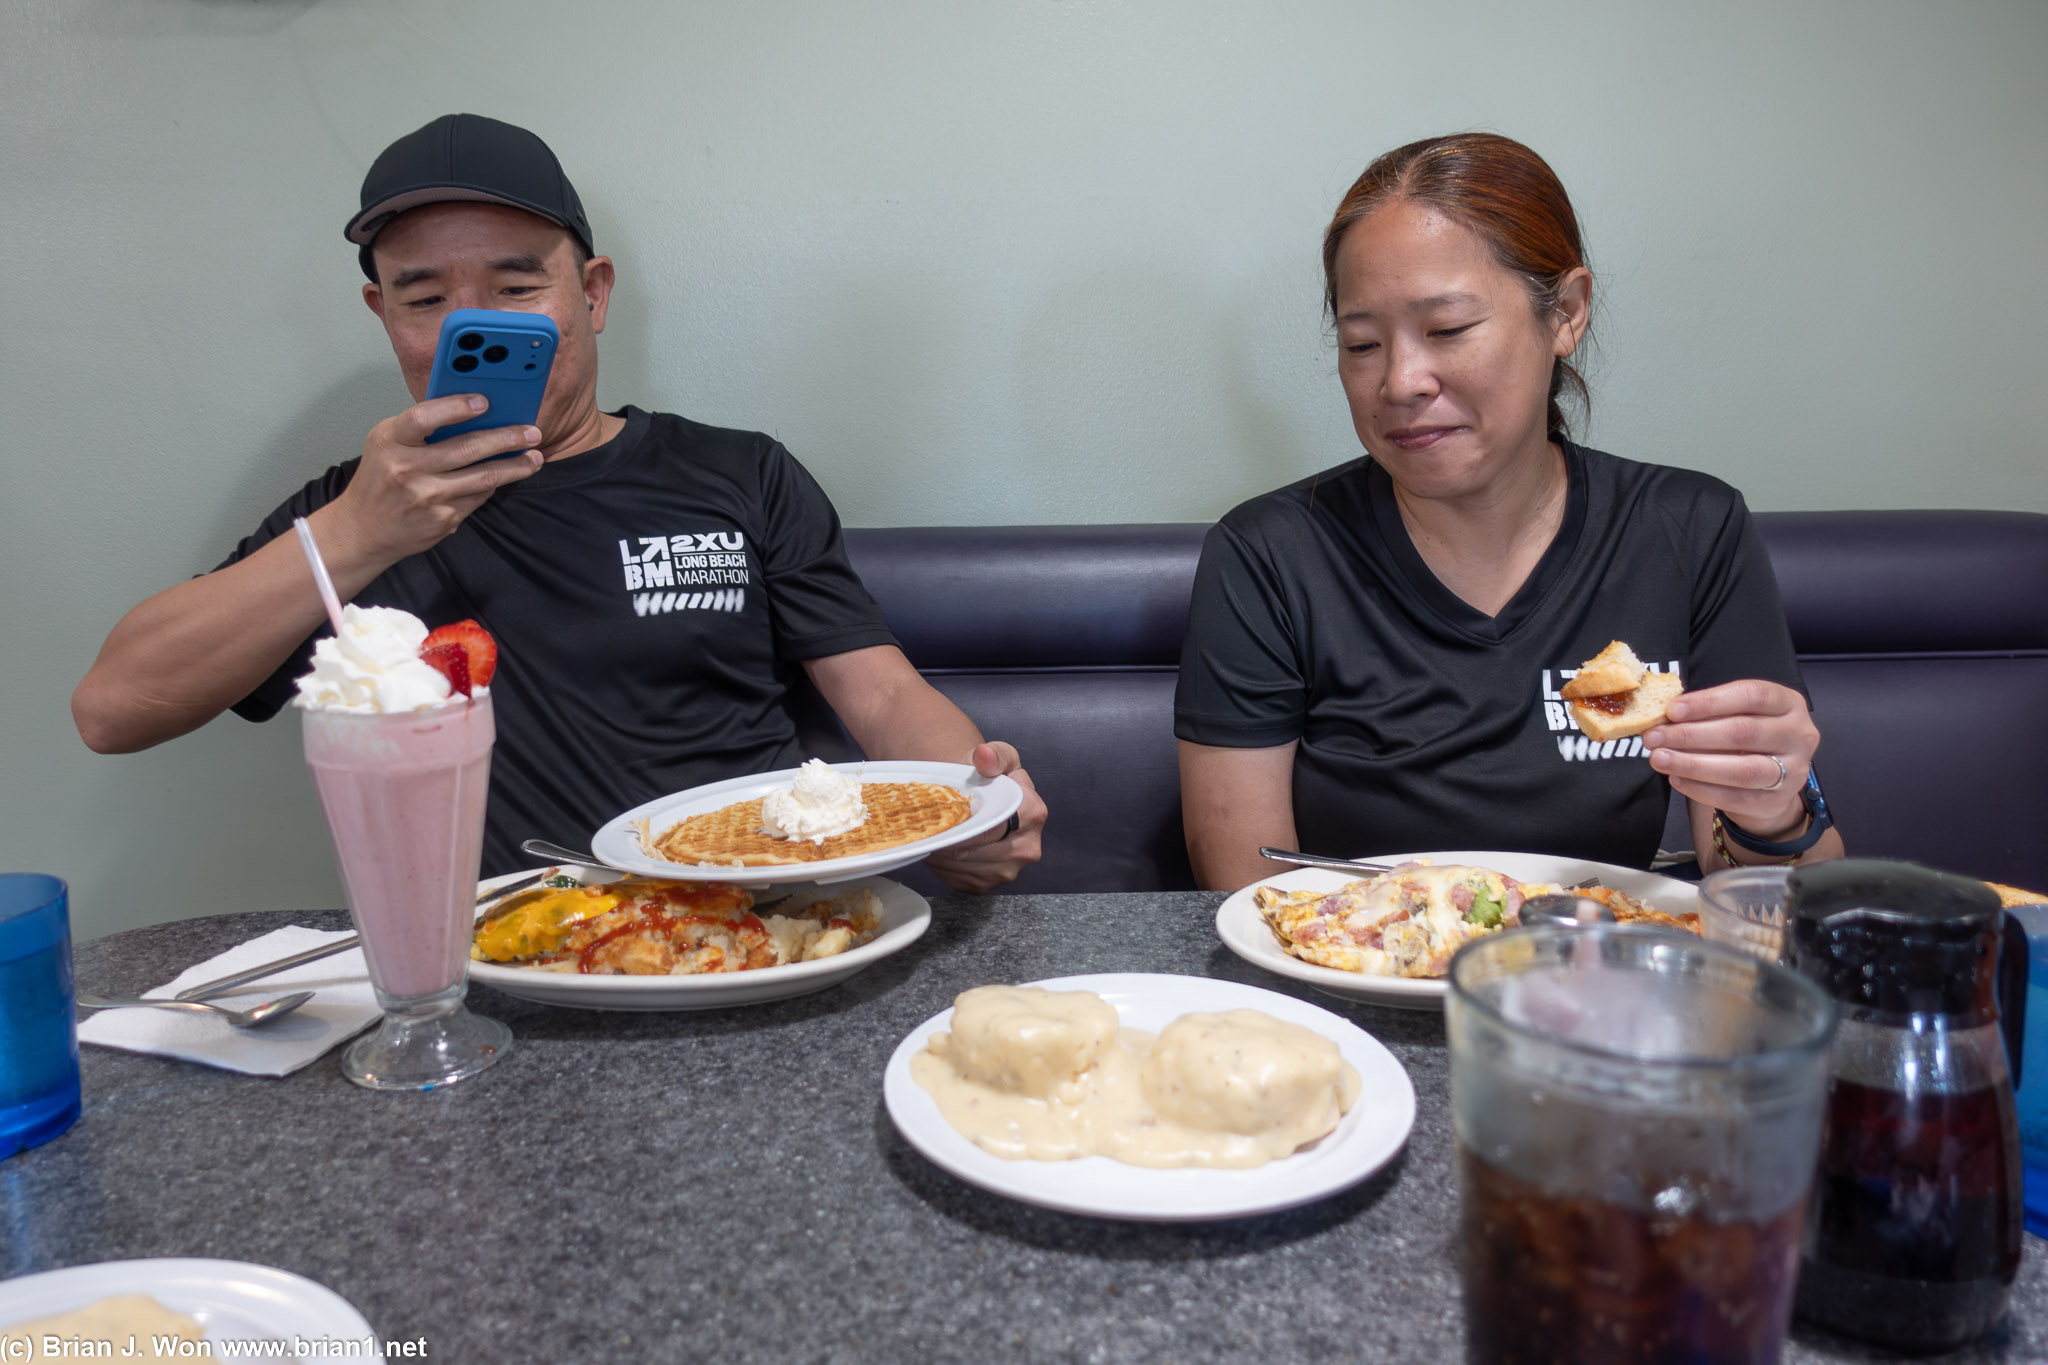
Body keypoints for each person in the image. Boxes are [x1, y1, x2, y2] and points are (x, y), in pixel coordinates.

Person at [72, 113, 1045, 893]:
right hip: (517, 965)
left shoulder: (741, 473)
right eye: (424, 298)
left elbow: (876, 691)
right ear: (384, 319)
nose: (473, 325)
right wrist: (357, 533)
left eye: (514, 284)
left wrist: (974, 802)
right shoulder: (348, 518)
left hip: (768, 915)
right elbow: (113, 708)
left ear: (592, 293)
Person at [1175, 133, 1843, 891]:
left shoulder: (1689, 530)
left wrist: (1772, 810)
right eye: (1362, 344)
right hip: (1348, 976)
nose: (1400, 381)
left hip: (1601, 979)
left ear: (1565, 313)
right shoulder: (1270, 554)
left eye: (1448, 330)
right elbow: (1245, 894)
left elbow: (1771, 901)